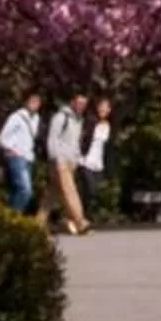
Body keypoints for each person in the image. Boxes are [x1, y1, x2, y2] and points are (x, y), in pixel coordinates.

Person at [47, 94, 92, 235]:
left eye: (84, 104)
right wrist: (56, 159)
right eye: (79, 103)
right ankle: (81, 223)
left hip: (71, 161)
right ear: (72, 102)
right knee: (70, 191)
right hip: (60, 160)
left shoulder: (79, 120)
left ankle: (38, 223)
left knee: (52, 194)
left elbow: (76, 142)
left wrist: (77, 159)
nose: (81, 106)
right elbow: (52, 139)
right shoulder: (61, 117)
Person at [0, 91, 43, 216]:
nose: (35, 104)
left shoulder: (36, 118)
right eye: (32, 101)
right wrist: (11, 149)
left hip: (28, 158)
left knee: (17, 190)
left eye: (37, 102)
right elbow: (2, 137)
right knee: (25, 190)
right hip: (17, 157)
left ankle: (7, 216)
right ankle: (14, 216)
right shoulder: (16, 117)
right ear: (26, 102)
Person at [78, 96, 113, 226]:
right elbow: (81, 138)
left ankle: (81, 217)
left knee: (93, 193)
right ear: (97, 108)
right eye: (101, 106)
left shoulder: (107, 126)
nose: (103, 109)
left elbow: (105, 147)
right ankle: (79, 217)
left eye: (106, 107)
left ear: (109, 110)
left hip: (98, 164)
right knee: (90, 189)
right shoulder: (90, 121)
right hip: (85, 161)